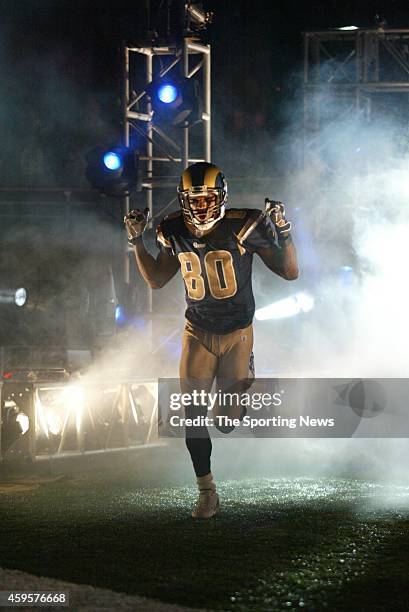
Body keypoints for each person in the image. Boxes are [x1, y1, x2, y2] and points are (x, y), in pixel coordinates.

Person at [124, 162, 298, 518]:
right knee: (193, 415)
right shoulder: (171, 229)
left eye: (207, 199)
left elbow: (290, 272)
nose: (201, 206)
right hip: (197, 331)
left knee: (226, 421)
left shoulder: (243, 225)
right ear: (183, 200)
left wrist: (283, 231)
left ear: (221, 197)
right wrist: (136, 241)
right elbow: (157, 280)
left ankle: (241, 383)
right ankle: (207, 491)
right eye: (195, 199)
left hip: (237, 333)